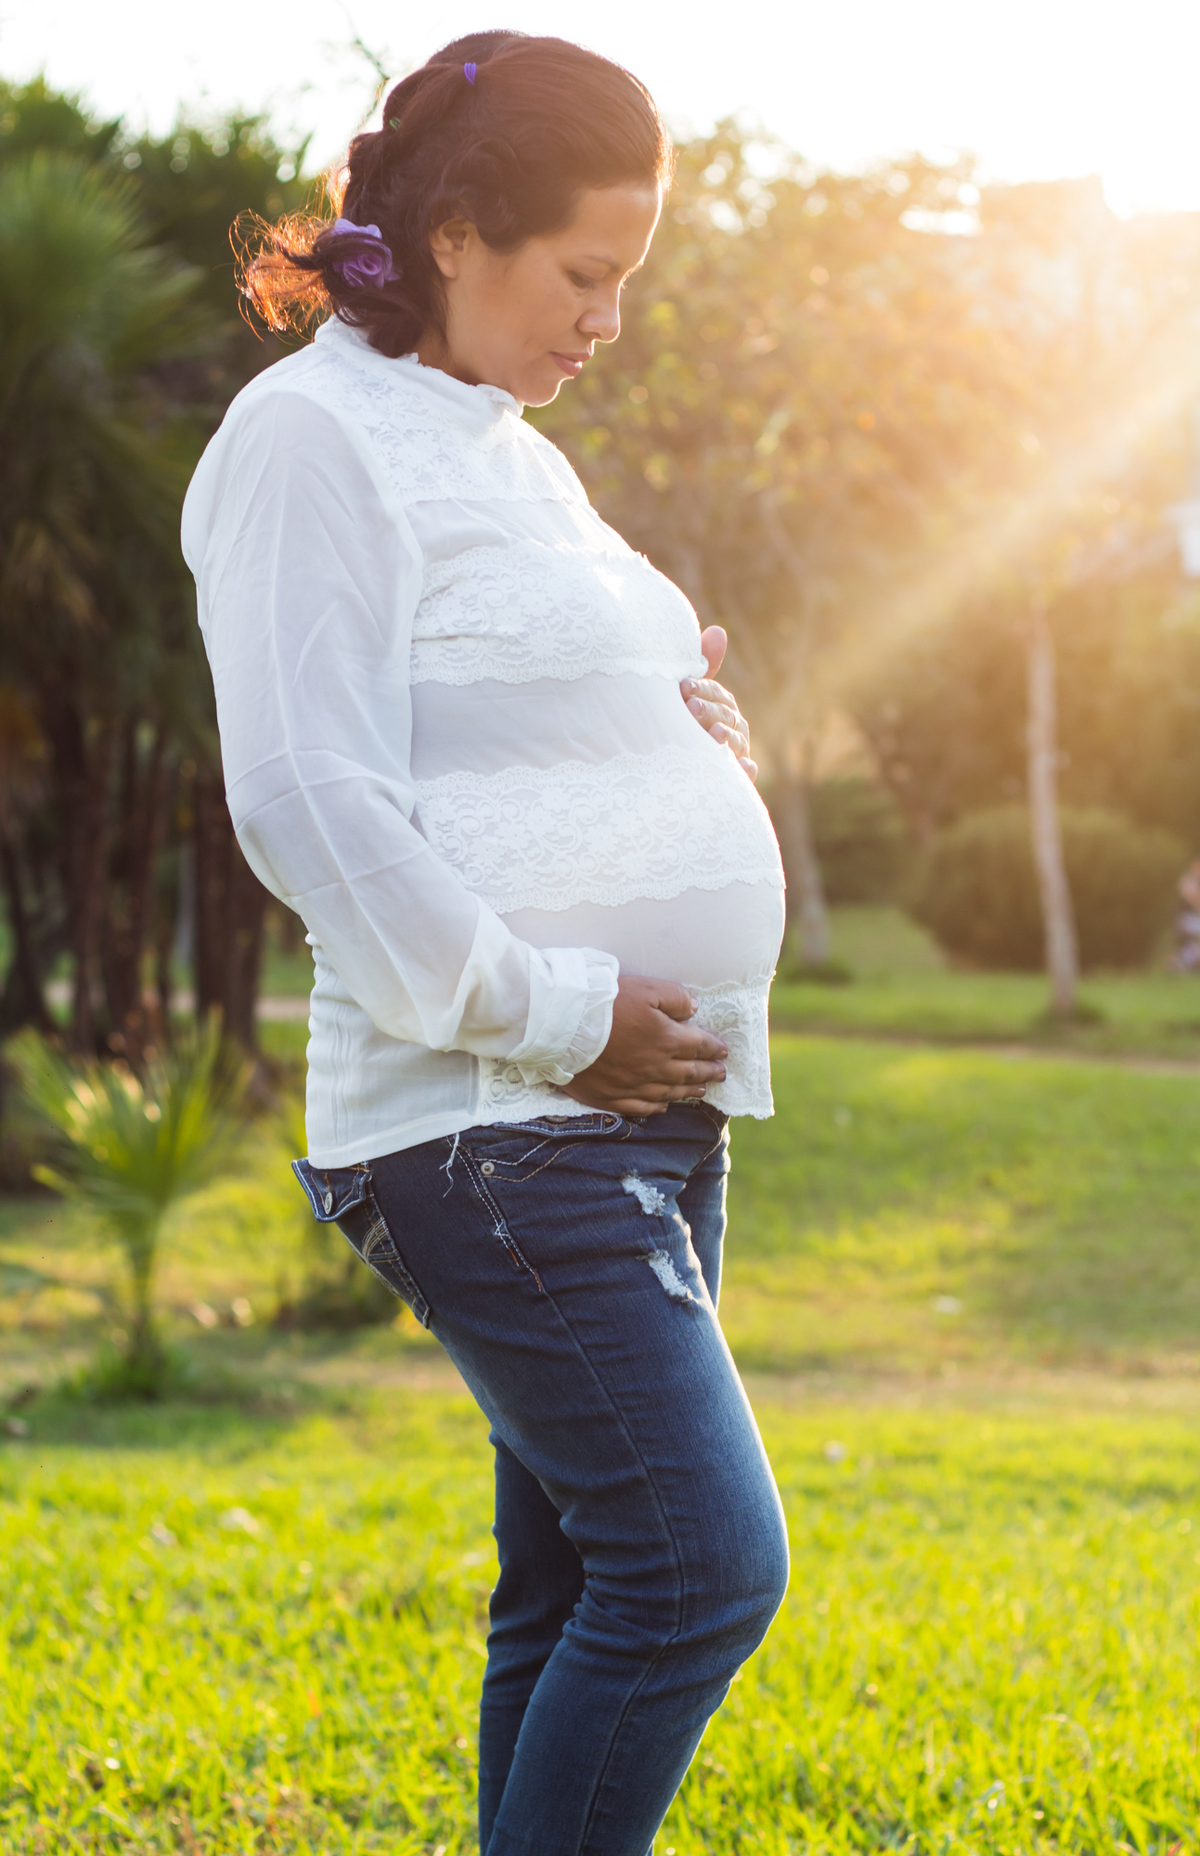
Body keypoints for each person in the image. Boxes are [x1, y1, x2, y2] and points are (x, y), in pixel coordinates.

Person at [183, 32, 789, 1856]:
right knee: (697, 1571)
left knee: (575, 1592)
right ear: (456, 233)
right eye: (587, 274)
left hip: (639, 1114)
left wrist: (686, 746)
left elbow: (512, 717)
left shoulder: (505, 451)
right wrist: (556, 1016)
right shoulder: (305, 438)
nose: (610, 320)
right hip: (499, 1115)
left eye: (633, 280)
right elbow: (306, 796)